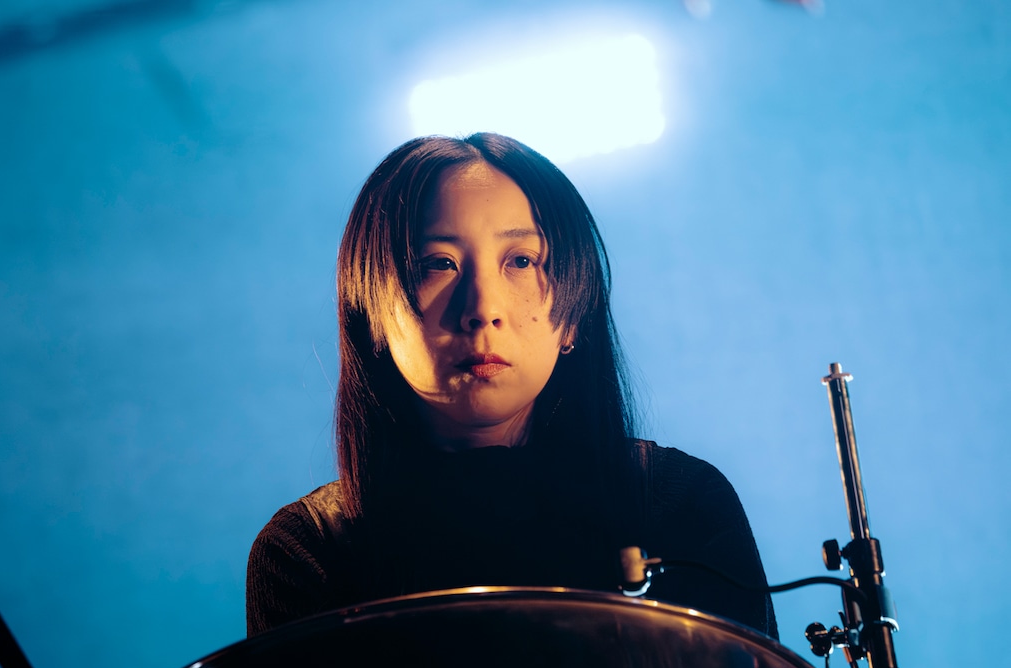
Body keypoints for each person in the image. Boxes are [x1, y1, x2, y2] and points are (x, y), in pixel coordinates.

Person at [247, 133, 775, 638]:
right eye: (438, 264)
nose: (482, 309)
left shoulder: (680, 504)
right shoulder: (308, 551)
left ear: (573, 315)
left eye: (521, 261)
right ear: (372, 317)